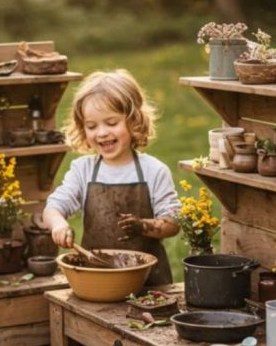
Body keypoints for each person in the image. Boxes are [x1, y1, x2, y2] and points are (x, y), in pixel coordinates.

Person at [43, 69, 180, 285]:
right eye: (91, 126)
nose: (101, 133)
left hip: (148, 282)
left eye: (111, 123)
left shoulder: (154, 170)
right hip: (96, 279)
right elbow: (53, 207)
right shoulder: (83, 170)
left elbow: (173, 223)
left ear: (134, 121)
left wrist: (142, 226)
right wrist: (58, 224)